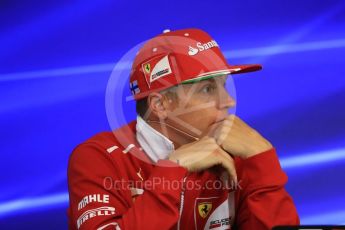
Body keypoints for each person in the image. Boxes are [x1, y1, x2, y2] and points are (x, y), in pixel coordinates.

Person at [67, 28, 299, 230]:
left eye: (223, 86)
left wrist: (262, 159)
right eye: (207, 89)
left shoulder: (238, 153)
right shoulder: (98, 159)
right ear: (160, 104)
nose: (229, 101)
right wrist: (173, 168)